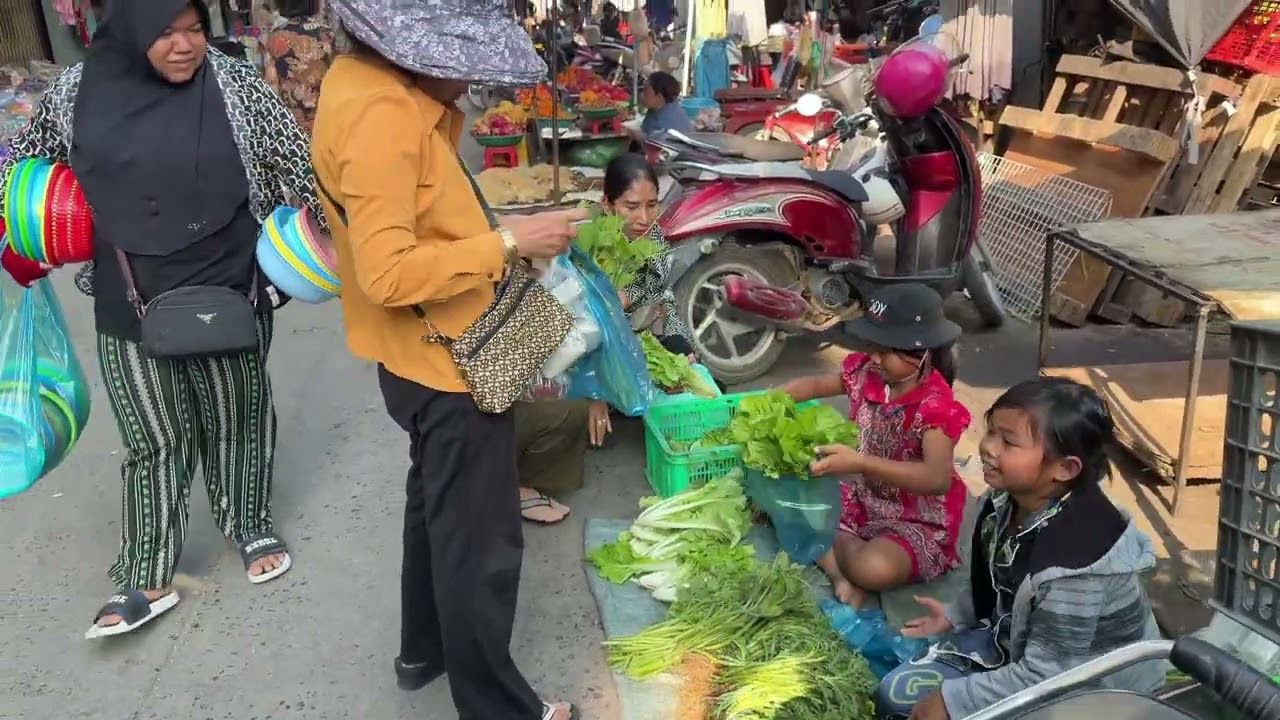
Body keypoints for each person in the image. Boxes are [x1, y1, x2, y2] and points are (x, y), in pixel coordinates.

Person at [0, 0, 322, 638]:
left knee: (236, 416)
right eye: (165, 32)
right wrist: (33, 228)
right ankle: (147, 572)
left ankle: (248, 522)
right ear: (130, 32)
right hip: (127, 288)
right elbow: (19, 168)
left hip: (230, 277)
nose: (185, 45)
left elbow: (296, 163)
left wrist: (324, 241)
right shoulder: (76, 91)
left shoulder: (234, 83)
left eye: (194, 29)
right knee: (152, 434)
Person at [309, 2, 583, 718]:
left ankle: (423, 652)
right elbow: (388, 273)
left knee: (435, 513)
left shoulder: (354, 82)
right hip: (449, 365)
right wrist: (510, 242)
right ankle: (497, 707)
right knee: (480, 547)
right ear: (412, 55)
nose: (470, 84)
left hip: (415, 356)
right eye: (462, 67)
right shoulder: (383, 118)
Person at [875, 377, 1164, 720]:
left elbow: (1050, 678)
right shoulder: (1005, 500)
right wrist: (958, 613)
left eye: (1009, 442)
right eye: (991, 431)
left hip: (1092, 693)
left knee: (919, 705)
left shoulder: (1076, 566)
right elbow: (1000, 579)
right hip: (1018, 644)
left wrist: (952, 700)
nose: (988, 447)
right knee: (896, 694)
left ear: (1064, 468)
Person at [512, 153, 694, 527]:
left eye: (652, 204)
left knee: (685, 363)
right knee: (574, 400)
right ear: (607, 204)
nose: (644, 217)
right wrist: (597, 391)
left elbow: (648, 299)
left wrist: (677, 350)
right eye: (631, 206)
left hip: (639, 327)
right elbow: (583, 324)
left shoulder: (654, 240)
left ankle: (619, 401)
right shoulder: (585, 241)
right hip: (583, 340)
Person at [782, 283, 970, 609]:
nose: (874, 358)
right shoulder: (867, 373)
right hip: (864, 498)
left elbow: (936, 478)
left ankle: (838, 557)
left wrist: (860, 463)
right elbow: (814, 386)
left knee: (873, 568)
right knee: (786, 499)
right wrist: (769, 401)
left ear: (922, 353)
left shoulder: (935, 408)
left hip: (915, 521)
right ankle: (841, 577)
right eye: (872, 347)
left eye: (885, 352)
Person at [261, 0, 335, 134]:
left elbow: (271, 83)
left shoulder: (273, 37)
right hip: (324, 119)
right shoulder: (328, 35)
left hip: (290, 123)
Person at [637, 71, 693, 138]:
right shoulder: (659, 106)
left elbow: (651, 142)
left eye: (645, 91)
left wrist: (633, 134)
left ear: (659, 97)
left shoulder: (668, 123)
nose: (641, 94)